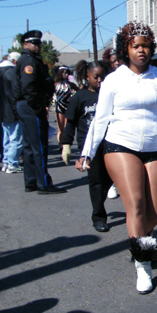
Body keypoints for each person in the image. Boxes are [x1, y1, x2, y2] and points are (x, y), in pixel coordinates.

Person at [77, 22, 157, 294]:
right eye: (136, 46)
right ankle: (143, 265)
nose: (142, 51)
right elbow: (100, 119)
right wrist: (87, 151)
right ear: (126, 48)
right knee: (136, 206)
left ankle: (145, 240)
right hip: (121, 146)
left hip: (156, 148)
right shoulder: (113, 79)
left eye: (146, 46)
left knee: (155, 213)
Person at [62, 60, 111, 232]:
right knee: (96, 180)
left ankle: (100, 201)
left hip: (110, 142)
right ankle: (98, 216)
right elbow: (70, 123)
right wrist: (66, 144)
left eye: (103, 77)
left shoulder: (109, 95)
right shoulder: (79, 97)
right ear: (87, 76)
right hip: (88, 146)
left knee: (110, 179)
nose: (100, 80)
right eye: (96, 77)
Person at [15, 30, 64, 194]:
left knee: (29, 145)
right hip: (31, 106)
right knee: (39, 146)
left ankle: (31, 182)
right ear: (25, 44)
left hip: (27, 105)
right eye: (33, 43)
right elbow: (29, 86)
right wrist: (36, 105)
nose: (37, 46)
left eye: (38, 43)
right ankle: (43, 183)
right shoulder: (28, 61)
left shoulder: (31, 60)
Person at [0, 52, 23, 174]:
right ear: (15, 62)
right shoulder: (12, 72)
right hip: (13, 110)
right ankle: (12, 163)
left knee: (7, 138)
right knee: (16, 139)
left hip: (4, 109)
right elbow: (16, 92)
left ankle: (6, 162)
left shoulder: (1, 72)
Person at [53, 67, 76, 144]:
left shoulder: (70, 84)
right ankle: (60, 143)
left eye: (67, 73)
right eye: (64, 73)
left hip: (68, 107)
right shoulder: (56, 84)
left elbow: (79, 90)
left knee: (66, 127)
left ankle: (65, 143)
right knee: (60, 128)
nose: (66, 75)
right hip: (59, 107)